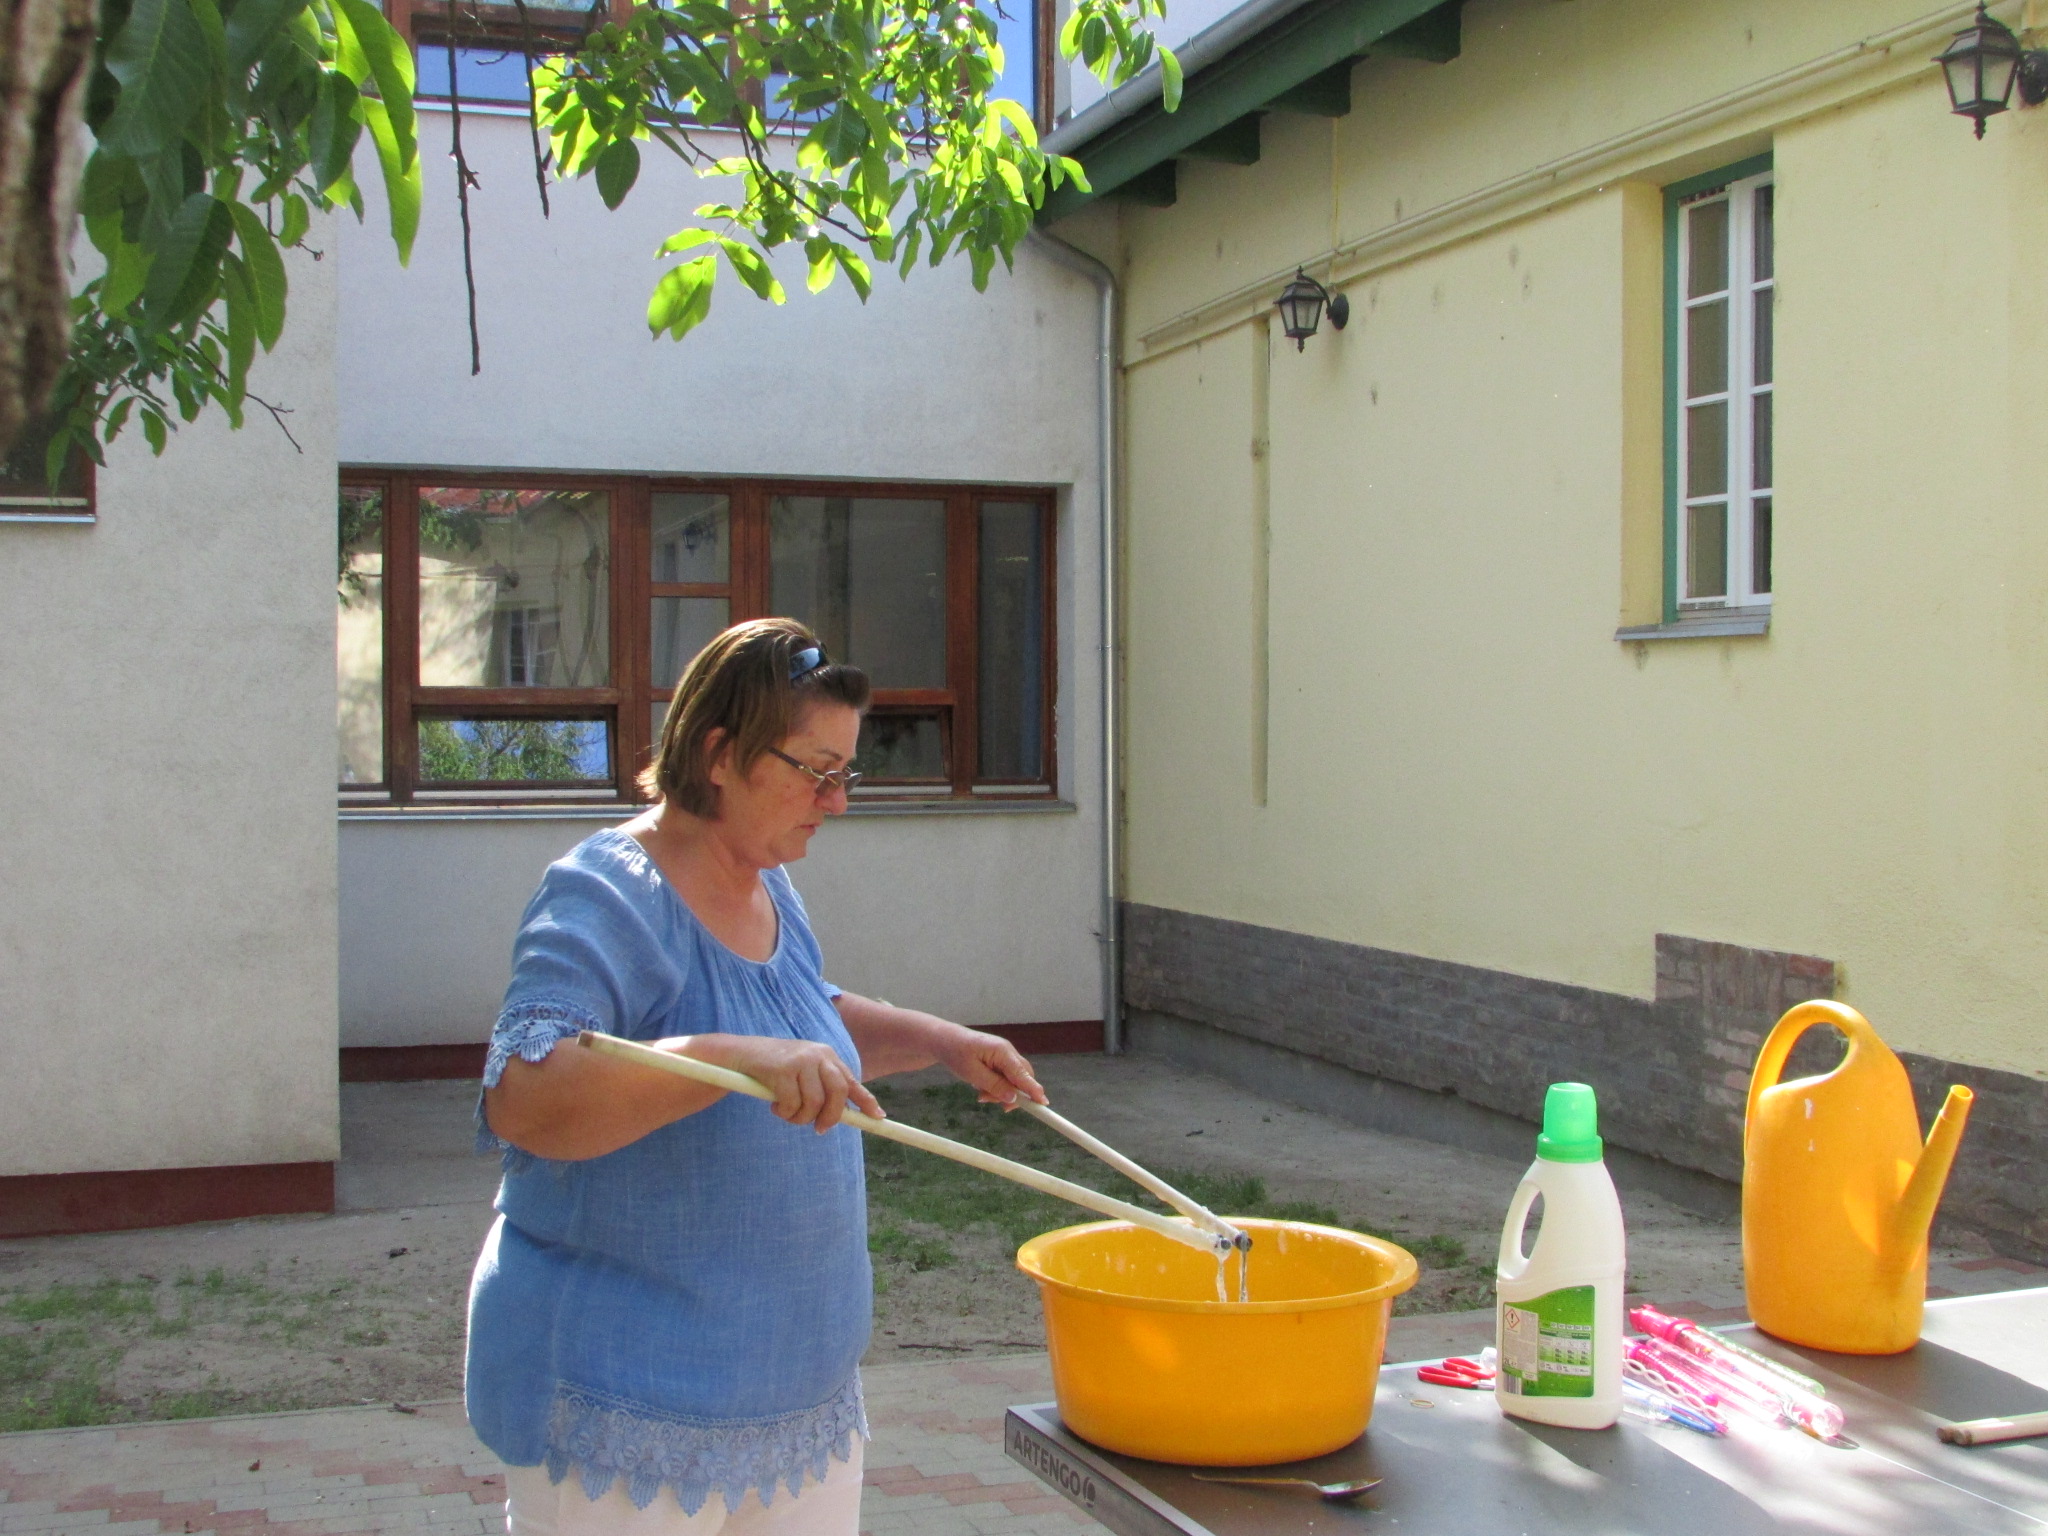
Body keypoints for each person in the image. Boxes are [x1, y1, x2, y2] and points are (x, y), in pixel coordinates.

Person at [468, 617, 1047, 1535]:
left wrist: (937, 1040)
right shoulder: (605, 893)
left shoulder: (767, 882)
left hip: (795, 1407)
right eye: (817, 771)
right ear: (720, 755)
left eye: (846, 774)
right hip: (630, 1411)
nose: (837, 802)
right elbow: (527, 1098)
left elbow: (800, 1021)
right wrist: (727, 1059)